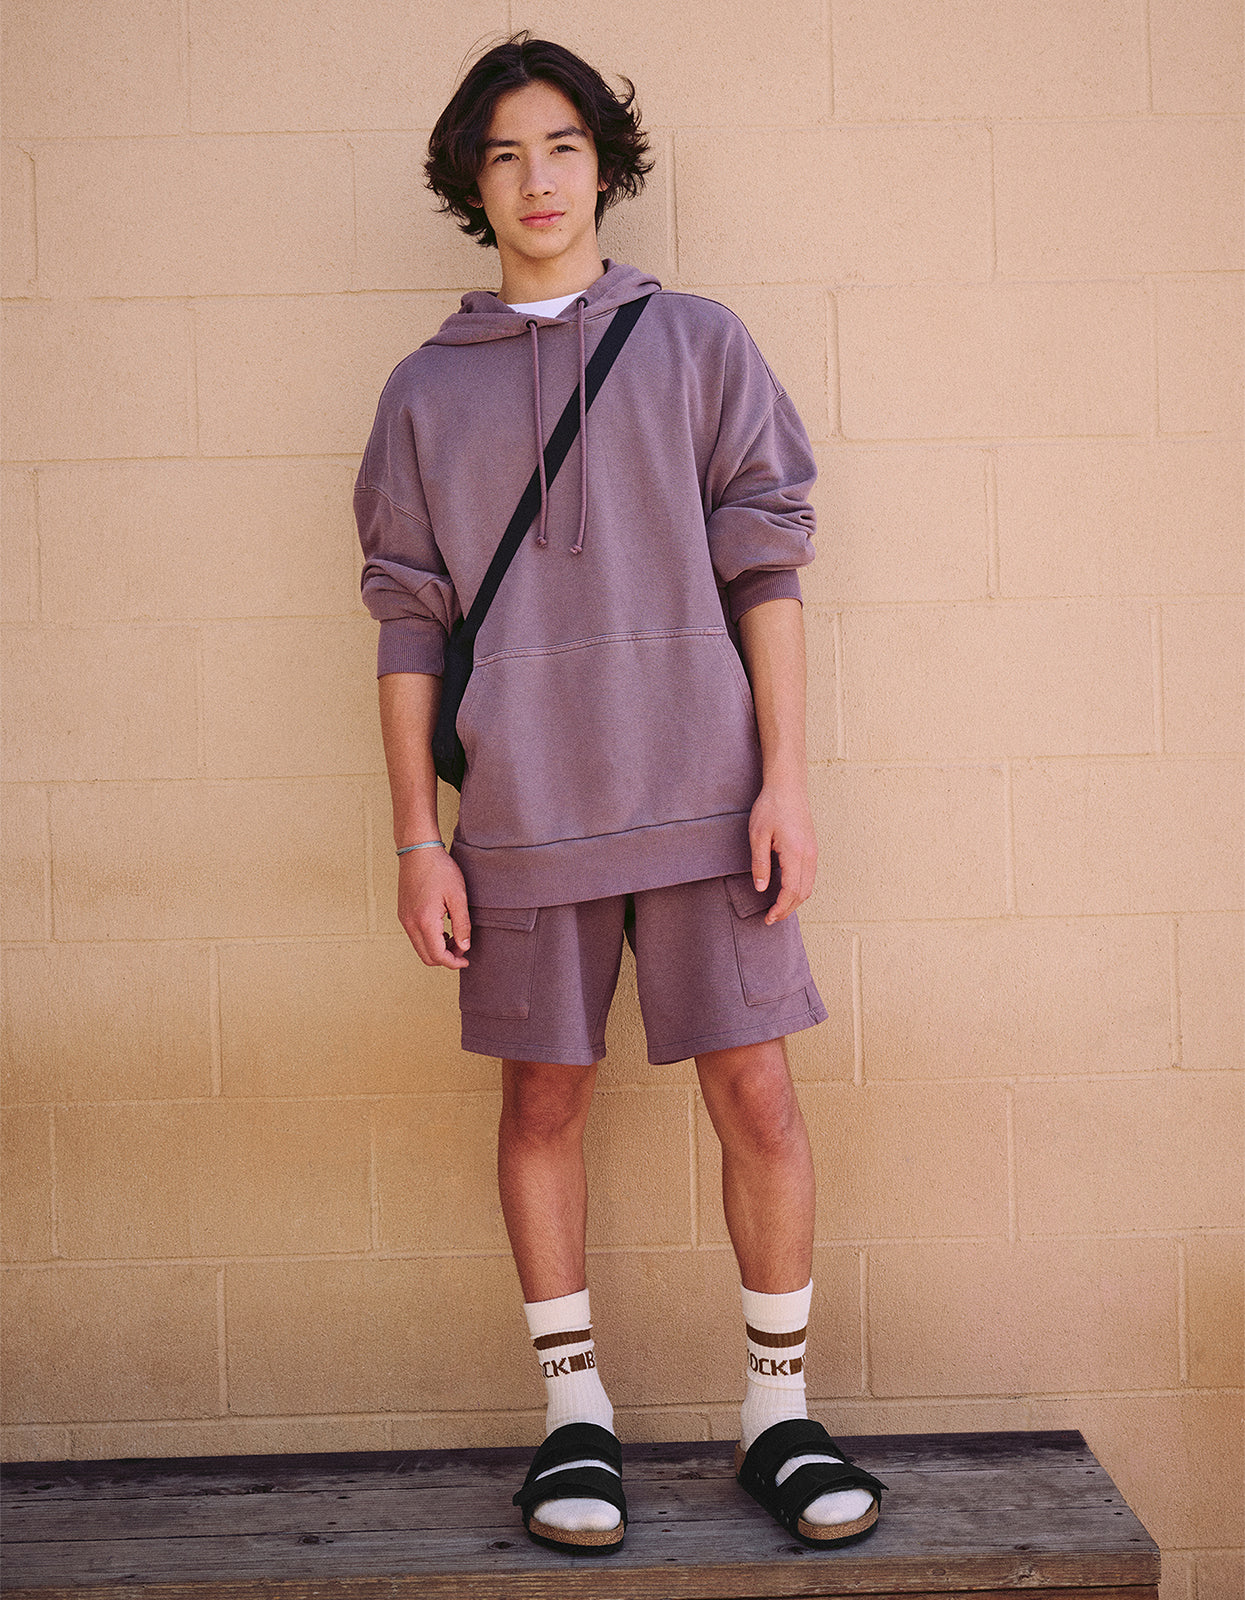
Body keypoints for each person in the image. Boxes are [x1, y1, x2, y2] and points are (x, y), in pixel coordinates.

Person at [355, 33, 885, 1556]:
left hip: (707, 796)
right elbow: (407, 622)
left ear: (605, 167)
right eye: (506, 153)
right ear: (471, 183)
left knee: (758, 1094)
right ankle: (572, 1419)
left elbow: (765, 566)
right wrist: (417, 837)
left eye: (564, 146)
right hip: (522, 813)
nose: (538, 179)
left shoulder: (698, 343)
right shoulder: (423, 393)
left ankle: (777, 1416)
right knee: (543, 1100)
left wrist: (784, 781)